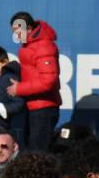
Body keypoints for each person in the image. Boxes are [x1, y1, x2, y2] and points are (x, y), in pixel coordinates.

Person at [6, 11, 61, 152]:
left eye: (17, 31)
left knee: (38, 156)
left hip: (43, 109)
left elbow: (48, 80)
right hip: (33, 107)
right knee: (31, 154)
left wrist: (19, 89)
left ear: (29, 29)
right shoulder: (29, 45)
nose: (15, 36)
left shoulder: (43, 46)